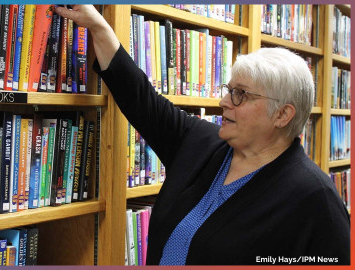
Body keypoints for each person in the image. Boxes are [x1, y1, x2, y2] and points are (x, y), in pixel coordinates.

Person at [55, 5, 350, 265]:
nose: (224, 102)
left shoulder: (315, 199)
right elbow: (142, 100)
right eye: (228, 89)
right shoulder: (201, 142)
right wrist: (98, 26)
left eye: (240, 95)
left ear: (282, 115)